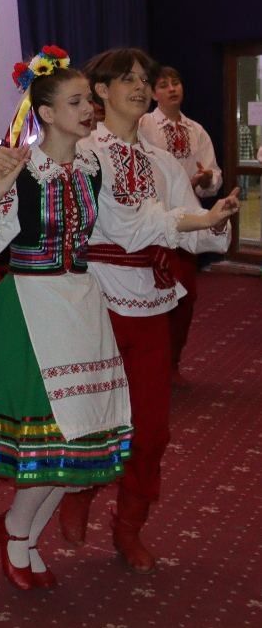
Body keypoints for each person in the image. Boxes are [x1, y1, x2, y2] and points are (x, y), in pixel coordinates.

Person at [0, 47, 238, 572]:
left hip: (149, 301)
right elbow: (23, 164)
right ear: (101, 90)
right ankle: (77, 494)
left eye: (146, 79)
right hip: (92, 300)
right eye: (128, 79)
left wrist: (214, 220)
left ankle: (129, 527)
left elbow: (192, 227)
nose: (142, 87)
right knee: (87, 420)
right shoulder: (83, 149)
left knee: (152, 430)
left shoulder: (162, 160)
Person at [0, 53, 133, 590]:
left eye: (89, 100)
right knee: (54, 436)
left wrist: (198, 221)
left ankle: (24, 536)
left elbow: (127, 225)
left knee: (81, 436)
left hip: (81, 308)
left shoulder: (94, 166)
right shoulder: (21, 169)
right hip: (32, 311)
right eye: (76, 102)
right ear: (47, 112)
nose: (88, 109)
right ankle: (17, 533)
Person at [137, 65, 223, 389]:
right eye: (164, 84)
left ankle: (173, 361)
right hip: (153, 222)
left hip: (188, 222)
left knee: (186, 296)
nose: (172, 89)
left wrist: (206, 179)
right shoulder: (143, 124)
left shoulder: (196, 130)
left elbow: (214, 176)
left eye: (176, 83)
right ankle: (152, 362)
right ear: (153, 92)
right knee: (154, 295)